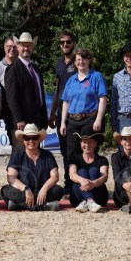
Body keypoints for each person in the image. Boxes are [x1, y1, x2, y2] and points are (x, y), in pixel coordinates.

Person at [0, 123, 64, 211]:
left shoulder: (48, 155)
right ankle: (44, 206)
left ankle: (20, 205)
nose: (31, 141)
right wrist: (26, 189)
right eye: (27, 138)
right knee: (5, 190)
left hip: (43, 192)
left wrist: (44, 189)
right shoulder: (17, 156)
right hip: (23, 191)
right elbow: (11, 178)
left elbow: (55, 177)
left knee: (58, 190)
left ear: (38, 140)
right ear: (23, 140)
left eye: (34, 138)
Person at [60, 48, 107, 160]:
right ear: (74, 62)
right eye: (78, 59)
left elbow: (103, 99)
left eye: (84, 59)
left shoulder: (96, 76)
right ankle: (72, 172)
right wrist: (63, 123)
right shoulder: (71, 80)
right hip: (72, 121)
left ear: (89, 60)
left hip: (89, 120)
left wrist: (98, 119)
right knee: (71, 153)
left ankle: (90, 172)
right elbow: (66, 102)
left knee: (88, 153)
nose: (81, 62)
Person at [4, 32, 48, 153]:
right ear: (17, 47)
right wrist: (19, 118)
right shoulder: (12, 69)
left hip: (36, 120)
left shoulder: (36, 69)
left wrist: (44, 119)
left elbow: (40, 96)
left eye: (28, 45)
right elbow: (11, 97)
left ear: (32, 48)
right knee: (20, 156)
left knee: (34, 155)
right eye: (23, 45)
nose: (26, 48)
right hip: (22, 123)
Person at [48, 30, 77, 196]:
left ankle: (77, 182)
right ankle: (68, 183)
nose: (65, 44)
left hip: (77, 113)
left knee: (78, 150)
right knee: (65, 151)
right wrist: (52, 113)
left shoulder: (80, 61)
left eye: (68, 41)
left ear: (74, 43)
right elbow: (57, 89)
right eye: (62, 42)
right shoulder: (59, 63)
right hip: (61, 114)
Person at [69, 131, 108, 213]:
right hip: (78, 197)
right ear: (80, 143)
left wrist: (94, 183)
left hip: (98, 197)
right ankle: (90, 200)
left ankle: (87, 201)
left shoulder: (102, 160)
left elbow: (104, 177)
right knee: (82, 172)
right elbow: (72, 175)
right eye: (84, 142)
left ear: (95, 144)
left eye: (90, 142)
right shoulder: (74, 158)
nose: (87, 145)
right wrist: (82, 180)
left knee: (94, 170)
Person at [0, 36, 18, 146]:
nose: (12, 49)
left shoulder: (21, 66)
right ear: (4, 47)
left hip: (22, 111)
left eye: (14, 46)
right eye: (9, 46)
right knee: (15, 144)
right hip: (8, 114)